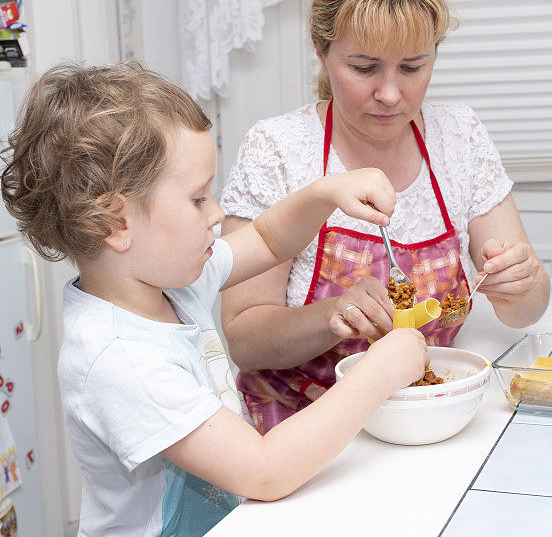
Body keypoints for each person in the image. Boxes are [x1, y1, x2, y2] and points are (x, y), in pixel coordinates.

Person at [0, 63, 428, 536]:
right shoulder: (119, 359)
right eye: (198, 197)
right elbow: (265, 470)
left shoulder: (171, 283)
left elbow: (266, 240)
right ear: (114, 224)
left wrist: (327, 192)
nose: (218, 212)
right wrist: (381, 370)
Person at [220, 0, 551, 434]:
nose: (391, 94)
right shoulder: (279, 149)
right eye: (364, 68)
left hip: (428, 413)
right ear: (323, 53)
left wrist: (521, 284)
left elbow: (528, 309)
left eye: (413, 67)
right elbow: (244, 337)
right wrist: (331, 314)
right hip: (301, 426)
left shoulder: (458, 136)